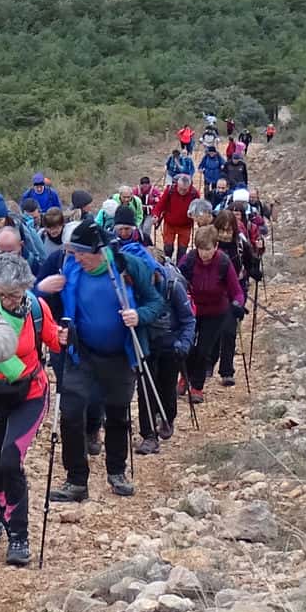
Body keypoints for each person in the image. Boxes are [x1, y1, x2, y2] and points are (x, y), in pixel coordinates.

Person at [40, 220, 157, 501]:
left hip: (120, 355)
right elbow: (47, 305)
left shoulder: (128, 267)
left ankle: (117, 472)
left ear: (99, 251)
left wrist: (139, 316)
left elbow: (156, 302)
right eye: (74, 252)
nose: (76, 258)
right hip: (81, 354)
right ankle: (76, 481)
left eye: (81, 253)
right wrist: (43, 289)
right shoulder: (70, 269)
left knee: (117, 414)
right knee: (70, 414)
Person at [0, 251, 62, 567]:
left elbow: (55, 342)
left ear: (26, 287)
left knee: (10, 459)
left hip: (31, 394)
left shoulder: (37, 309)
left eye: (14, 294)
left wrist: (67, 336)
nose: (8, 301)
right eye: (1, 294)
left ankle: (18, 535)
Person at [128, 232, 194, 451]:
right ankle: (148, 435)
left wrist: (183, 344)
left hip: (170, 344)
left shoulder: (173, 286)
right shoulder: (134, 287)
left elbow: (188, 319)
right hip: (145, 343)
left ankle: (167, 417)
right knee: (145, 388)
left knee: (167, 386)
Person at [179, 224, 247, 393]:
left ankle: (197, 387)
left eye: (208, 249)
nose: (204, 253)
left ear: (216, 246)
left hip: (215, 313)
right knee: (186, 346)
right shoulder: (189, 260)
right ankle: (185, 376)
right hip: (191, 311)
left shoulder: (223, 262)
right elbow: (176, 281)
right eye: (200, 249)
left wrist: (237, 304)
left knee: (204, 350)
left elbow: (237, 291)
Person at [152, 172, 198, 256]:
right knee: (168, 248)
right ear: (177, 185)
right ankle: (168, 262)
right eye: (180, 189)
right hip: (170, 224)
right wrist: (156, 215)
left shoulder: (194, 193)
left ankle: (180, 263)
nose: (182, 192)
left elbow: (197, 207)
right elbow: (160, 205)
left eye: (185, 190)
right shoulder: (170, 190)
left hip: (185, 226)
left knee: (182, 250)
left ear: (189, 187)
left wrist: (195, 215)